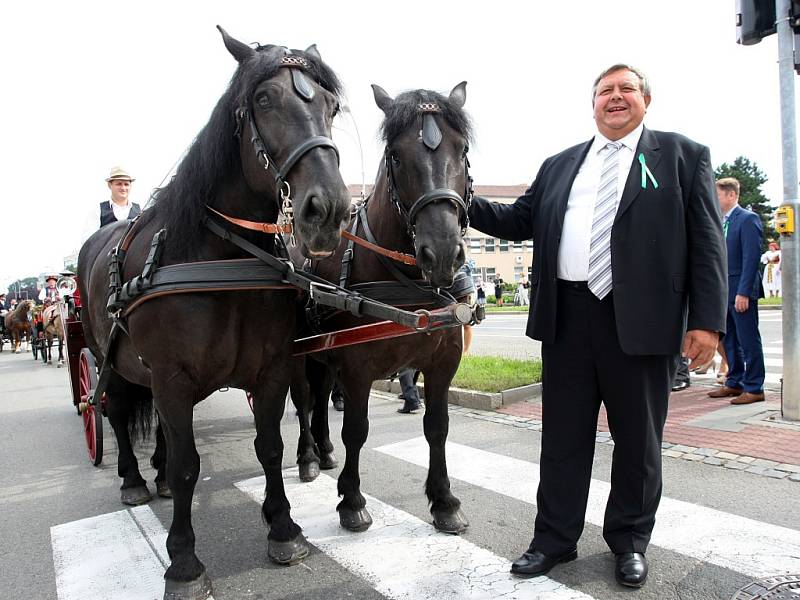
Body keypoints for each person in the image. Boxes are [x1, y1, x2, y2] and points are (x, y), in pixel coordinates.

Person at [467, 64, 726, 588]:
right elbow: (518, 221)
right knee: (562, 440)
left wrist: (706, 322)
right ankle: (554, 539)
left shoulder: (681, 156)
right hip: (568, 318)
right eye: (605, 90)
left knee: (638, 441)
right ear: (592, 104)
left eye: (626, 89)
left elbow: (706, 242)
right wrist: (456, 194)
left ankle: (629, 541)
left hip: (644, 322)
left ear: (645, 100)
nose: (615, 97)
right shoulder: (561, 165)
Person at [708, 178, 766, 405]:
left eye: (718, 195)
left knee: (748, 340)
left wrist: (744, 292)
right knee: (729, 339)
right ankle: (734, 382)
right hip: (723, 291)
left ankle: (754, 387)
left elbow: (751, 259)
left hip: (740, 291)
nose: (714, 199)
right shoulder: (720, 221)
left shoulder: (748, 219)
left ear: (731, 195)